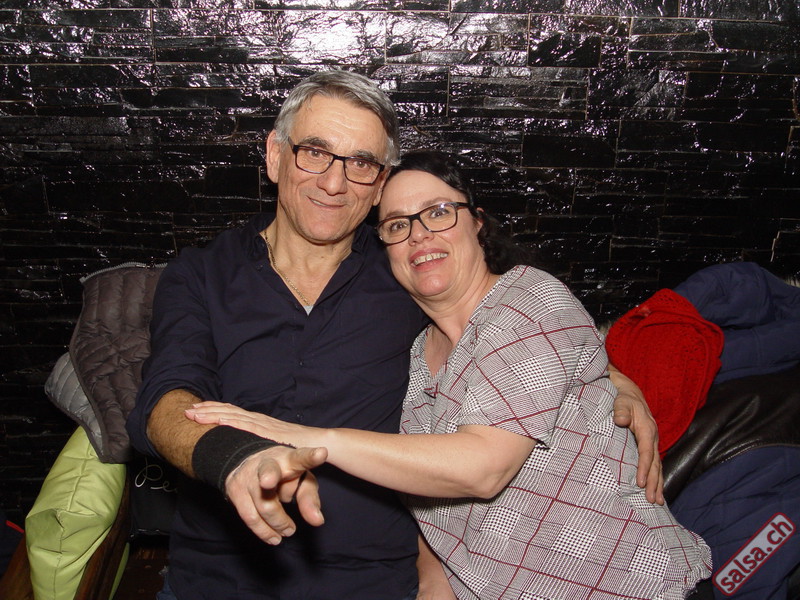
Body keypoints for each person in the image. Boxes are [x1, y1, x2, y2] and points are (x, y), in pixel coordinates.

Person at [127, 71, 662, 600]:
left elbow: (511, 325)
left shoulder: (407, 270)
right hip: (217, 577)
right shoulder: (200, 274)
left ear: (379, 183)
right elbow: (166, 403)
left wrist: (610, 377)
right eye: (315, 152)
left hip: (371, 580)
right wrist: (235, 457)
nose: (333, 183)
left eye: (360, 163)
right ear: (275, 155)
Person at [186, 150, 712, 600]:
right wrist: (431, 575)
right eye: (398, 225)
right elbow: (427, 489)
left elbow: (481, 468)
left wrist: (295, 435)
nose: (419, 235)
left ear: (477, 221)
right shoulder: (416, 355)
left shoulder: (528, 298)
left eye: (438, 212)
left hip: (635, 585)